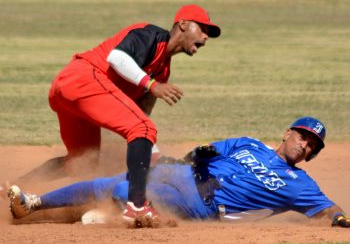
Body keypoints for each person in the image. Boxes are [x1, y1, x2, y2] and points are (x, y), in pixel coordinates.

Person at [35, 4, 221, 223]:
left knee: (82, 161)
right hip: (83, 78)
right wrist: (152, 85)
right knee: (142, 129)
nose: (206, 37)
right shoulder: (150, 35)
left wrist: (155, 157)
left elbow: (140, 116)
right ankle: (137, 206)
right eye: (202, 29)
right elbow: (117, 58)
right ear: (182, 24)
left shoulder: (163, 69)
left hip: (71, 92)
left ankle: (11, 191)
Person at [7, 116, 350, 228]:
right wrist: (192, 155)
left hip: (200, 204)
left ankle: (123, 212)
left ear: (311, 155)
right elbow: (205, 152)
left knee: (126, 192)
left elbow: (328, 209)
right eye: (303, 135)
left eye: (312, 146)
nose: (305, 144)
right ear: (287, 132)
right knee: (117, 180)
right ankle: (32, 204)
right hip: (186, 175)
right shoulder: (248, 143)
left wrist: (340, 218)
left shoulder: (298, 184)